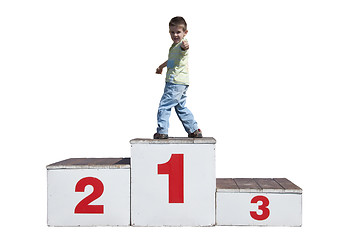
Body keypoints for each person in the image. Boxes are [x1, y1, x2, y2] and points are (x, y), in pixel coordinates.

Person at [154, 16, 202, 139]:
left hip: (175, 82)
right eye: (172, 32)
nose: (175, 35)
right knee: (180, 107)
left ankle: (162, 131)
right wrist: (161, 67)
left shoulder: (181, 45)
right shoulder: (173, 47)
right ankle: (194, 130)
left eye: (178, 32)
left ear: (185, 33)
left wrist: (185, 45)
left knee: (164, 106)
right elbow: (172, 61)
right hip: (181, 82)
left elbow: (184, 48)